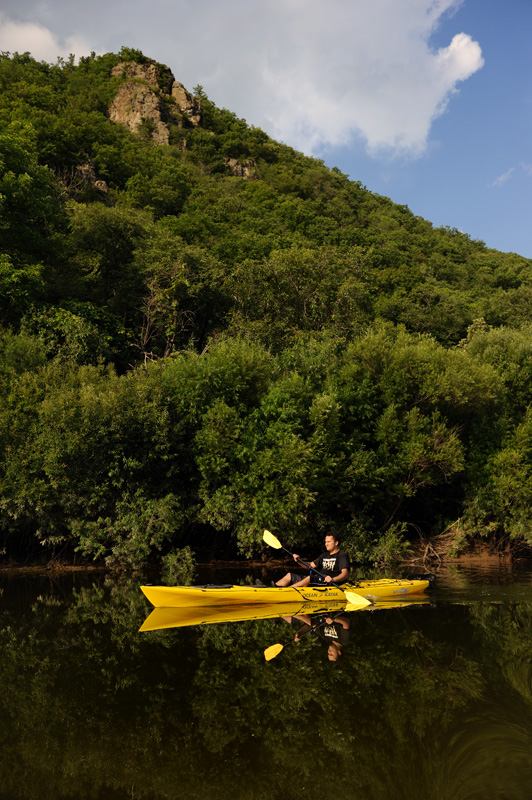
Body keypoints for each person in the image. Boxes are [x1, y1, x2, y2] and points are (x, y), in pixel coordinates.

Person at [274, 533, 350, 588]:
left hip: (329, 582)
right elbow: (310, 566)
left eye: (329, 542)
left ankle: (286, 591)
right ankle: (274, 589)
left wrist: (333, 579)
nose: (326, 544)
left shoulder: (342, 555)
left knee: (309, 578)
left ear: (336, 543)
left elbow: (345, 574)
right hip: (318, 579)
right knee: (289, 576)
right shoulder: (324, 555)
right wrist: (299, 560)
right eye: (325, 542)